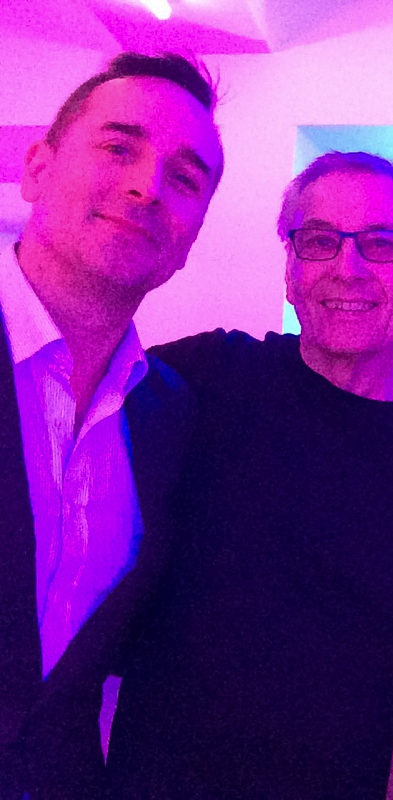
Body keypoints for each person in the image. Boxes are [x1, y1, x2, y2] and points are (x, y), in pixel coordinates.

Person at [105, 152, 393, 798]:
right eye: (320, 241)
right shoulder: (204, 379)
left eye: (381, 244)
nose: (347, 268)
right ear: (291, 269)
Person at [0, 52, 223, 797]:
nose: (146, 187)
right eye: (119, 147)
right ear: (36, 169)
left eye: (184, 179)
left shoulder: (168, 414)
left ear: (191, 238)